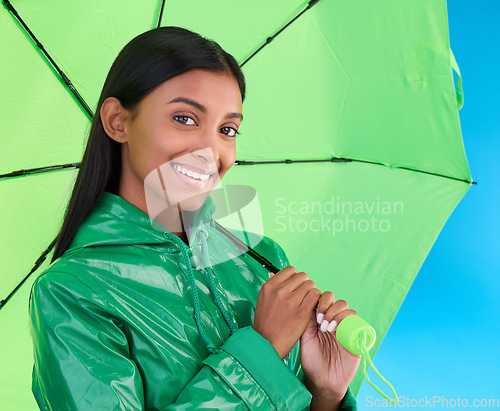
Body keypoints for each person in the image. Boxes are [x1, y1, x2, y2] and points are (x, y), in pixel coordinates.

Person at [29, 26, 361, 410]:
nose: (210, 149)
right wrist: (263, 350)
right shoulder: (74, 292)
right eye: (185, 119)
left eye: (227, 129)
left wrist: (326, 393)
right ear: (118, 121)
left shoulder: (264, 262)